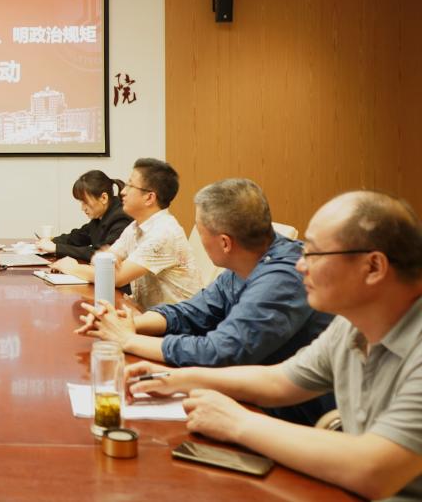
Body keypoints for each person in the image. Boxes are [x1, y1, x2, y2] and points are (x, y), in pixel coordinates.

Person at [126, 191, 422, 500]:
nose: (301, 266)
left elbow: (374, 469)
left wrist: (237, 422)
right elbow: (278, 381)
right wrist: (175, 379)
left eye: (315, 254)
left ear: (373, 267)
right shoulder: (350, 326)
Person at [79, 178, 334, 424]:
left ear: (224, 243)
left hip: (289, 416)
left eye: (200, 231)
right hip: (245, 396)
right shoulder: (245, 263)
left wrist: (130, 340)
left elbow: (220, 351)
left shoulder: (283, 277)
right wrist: (132, 323)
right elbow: (194, 311)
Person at [51, 158, 200, 308]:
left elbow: (115, 278)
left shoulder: (163, 233)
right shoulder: (135, 227)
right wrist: (105, 261)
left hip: (179, 319)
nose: (123, 191)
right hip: (149, 312)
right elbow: (102, 259)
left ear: (149, 197)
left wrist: (71, 267)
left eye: (130, 185)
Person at [36, 170, 131, 262]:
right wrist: (51, 241)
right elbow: (78, 237)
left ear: (103, 198)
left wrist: (56, 248)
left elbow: (101, 254)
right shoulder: (101, 216)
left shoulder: (121, 218)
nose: (82, 208)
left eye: (85, 202)